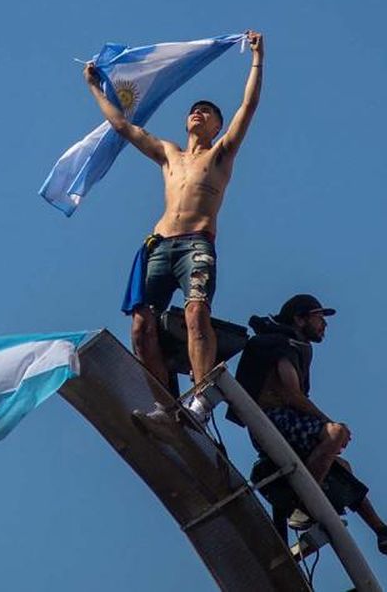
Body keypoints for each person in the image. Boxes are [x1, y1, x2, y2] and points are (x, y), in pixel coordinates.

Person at [82, 30, 263, 416]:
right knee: (140, 326)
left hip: (195, 243)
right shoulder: (170, 155)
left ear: (217, 125)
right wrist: (97, 89)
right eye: (194, 109)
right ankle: (161, 399)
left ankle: (202, 395)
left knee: (196, 313)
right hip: (159, 245)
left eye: (208, 111)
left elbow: (247, 107)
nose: (199, 112)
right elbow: (123, 127)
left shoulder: (220, 155)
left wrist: (256, 60)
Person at [233, 293, 387, 562]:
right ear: (300, 319)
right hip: (273, 421)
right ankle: (302, 506)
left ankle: (383, 532)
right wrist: (329, 425)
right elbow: (292, 395)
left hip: (284, 425)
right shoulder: (283, 344)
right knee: (335, 434)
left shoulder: (296, 345)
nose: (324, 325)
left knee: (343, 468)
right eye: (318, 318)